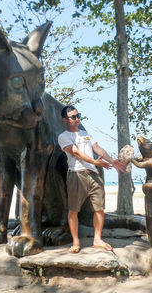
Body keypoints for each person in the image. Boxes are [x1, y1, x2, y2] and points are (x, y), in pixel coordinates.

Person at [58, 105, 126, 253]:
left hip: (93, 174)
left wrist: (112, 161)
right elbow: (75, 152)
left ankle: (97, 239)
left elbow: (97, 148)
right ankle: (76, 241)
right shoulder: (63, 136)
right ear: (65, 120)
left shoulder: (85, 133)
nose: (77, 119)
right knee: (74, 210)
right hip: (76, 174)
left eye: (78, 116)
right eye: (73, 117)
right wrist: (94, 161)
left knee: (99, 208)